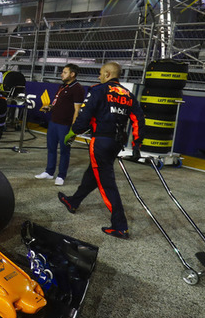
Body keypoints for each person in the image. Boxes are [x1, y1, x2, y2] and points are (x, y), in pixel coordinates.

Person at [58, 62, 145, 239]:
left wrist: (73, 132)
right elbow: (139, 120)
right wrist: (137, 144)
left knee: (107, 183)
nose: (98, 77)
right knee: (93, 173)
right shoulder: (128, 94)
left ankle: (120, 226)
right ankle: (73, 201)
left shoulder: (98, 90)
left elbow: (85, 115)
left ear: (107, 74)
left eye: (100, 74)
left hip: (101, 142)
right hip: (116, 143)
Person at [35, 63, 85, 186]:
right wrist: (50, 107)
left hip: (65, 126)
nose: (61, 74)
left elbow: (77, 111)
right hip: (53, 123)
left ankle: (61, 175)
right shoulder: (62, 86)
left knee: (64, 151)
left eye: (64, 72)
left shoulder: (77, 89)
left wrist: (73, 129)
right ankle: (49, 172)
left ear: (72, 74)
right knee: (51, 149)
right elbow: (58, 103)